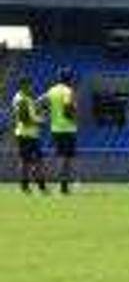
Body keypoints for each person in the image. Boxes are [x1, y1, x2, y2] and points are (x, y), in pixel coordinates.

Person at [45, 66, 79, 195]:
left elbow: (39, 102)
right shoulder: (68, 91)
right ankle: (63, 186)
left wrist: (48, 113)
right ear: (69, 78)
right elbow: (67, 107)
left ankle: (63, 184)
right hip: (67, 128)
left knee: (61, 157)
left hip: (55, 128)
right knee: (66, 159)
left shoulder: (52, 90)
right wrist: (73, 115)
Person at [12, 78, 47, 195]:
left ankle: (35, 185)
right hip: (26, 134)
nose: (31, 87)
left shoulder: (26, 98)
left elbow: (30, 115)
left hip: (30, 134)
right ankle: (29, 186)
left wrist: (39, 114)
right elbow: (25, 119)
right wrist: (40, 121)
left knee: (34, 162)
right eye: (29, 85)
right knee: (28, 162)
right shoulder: (21, 99)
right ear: (23, 85)